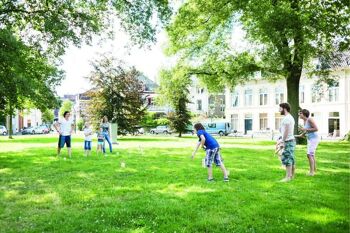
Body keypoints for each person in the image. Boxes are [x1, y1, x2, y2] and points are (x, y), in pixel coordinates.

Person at [298, 109, 319, 176]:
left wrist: (305, 129)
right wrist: (303, 134)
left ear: (304, 114)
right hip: (310, 139)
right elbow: (307, 130)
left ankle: (311, 172)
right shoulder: (305, 121)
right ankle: (314, 170)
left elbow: (316, 129)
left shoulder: (310, 119)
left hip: (314, 139)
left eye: (300, 113)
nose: (299, 114)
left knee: (309, 155)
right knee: (311, 155)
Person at [278, 103, 296, 182]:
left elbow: (286, 131)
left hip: (288, 141)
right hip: (289, 140)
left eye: (280, 108)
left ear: (284, 108)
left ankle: (287, 177)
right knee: (291, 158)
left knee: (288, 158)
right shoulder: (289, 117)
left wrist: (282, 141)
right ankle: (291, 176)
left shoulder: (287, 118)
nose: (279, 110)